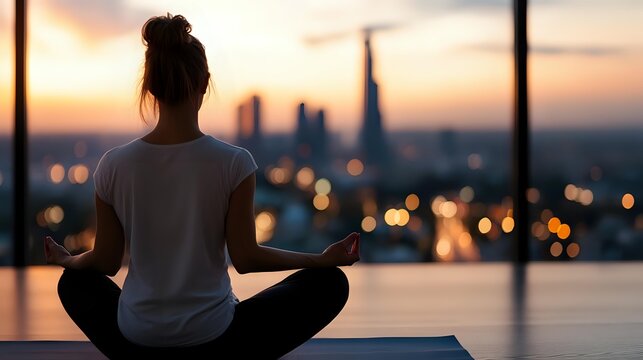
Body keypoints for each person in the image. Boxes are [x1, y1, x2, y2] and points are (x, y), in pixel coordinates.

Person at [44, 13, 360, 360]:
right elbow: (245, 257)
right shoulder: (234, 162)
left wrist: (69, 260)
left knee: (73, 283)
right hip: (215, 339)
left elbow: (104, 261)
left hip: (135, 338)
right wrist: (320, 259)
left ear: (150, 86)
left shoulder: (113, 164)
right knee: (330, 283)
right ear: (204, 83)